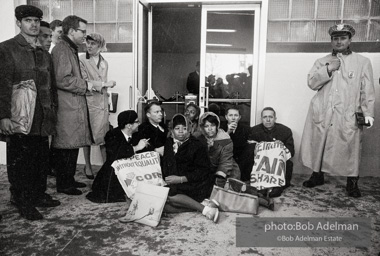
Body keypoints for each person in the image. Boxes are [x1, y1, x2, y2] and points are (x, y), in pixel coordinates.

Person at [300, 24, 375, 198]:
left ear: (350, 40)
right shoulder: (321, 61)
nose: (339, 41)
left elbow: (367, 89)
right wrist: (328, 69)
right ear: (331, 40)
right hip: (323, 110)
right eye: (335, 38)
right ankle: (317, 175)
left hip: (348, 112)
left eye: (342, 38)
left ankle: (352, 182)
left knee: (352, 146)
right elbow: (312, 83)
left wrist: (368, 112)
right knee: (320, 143)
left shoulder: (362, 62)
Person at [0, 5, 60, 220]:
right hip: (20, 117)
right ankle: (22, 200)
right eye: (28, 21)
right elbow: (3, 85)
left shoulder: (44, 52)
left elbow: (51, 86)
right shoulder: (6, 49)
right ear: (19, 23)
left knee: (40, 159)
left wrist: (54, 112)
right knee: (21, 161)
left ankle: (38, 194)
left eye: (36, 20)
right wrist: (3, 116)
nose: (33, 24)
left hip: (43, 117)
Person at [51, 15, 92, 196]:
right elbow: (62, 79)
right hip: (66, 106)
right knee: (66, 146)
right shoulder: (62, 49)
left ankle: (68, 180)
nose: (85, 35)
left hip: (71, 105)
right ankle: (64, 184)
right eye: (82, 31)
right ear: (71, 31)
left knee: (72, 144)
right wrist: (86, 85)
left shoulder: (69, 48)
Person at [160, 114, 219, 222]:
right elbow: (167, 163)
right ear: (172, 130)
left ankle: (205, 210)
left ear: (189, 129)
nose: (181, 131)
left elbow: (203, 171)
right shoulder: (169, 142)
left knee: (170, 197)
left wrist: (181, 179)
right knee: (163, 205)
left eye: (184, 128)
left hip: (195, 183)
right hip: (176, 182)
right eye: (177, 128)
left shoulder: (197, 145)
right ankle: (199, 205)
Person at [86, 110, 149, 203]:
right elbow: (115, 155)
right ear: (129, 125)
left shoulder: (137, 133)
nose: (139, 124)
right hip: (114, 171)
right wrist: (136, 148)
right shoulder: (112, 135)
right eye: (137, 121)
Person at [79, 33, 116, 179]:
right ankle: (87, 166)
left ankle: (105, 167)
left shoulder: (104, 62)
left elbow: (103, 83)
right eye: (87, 43)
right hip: (89, 103)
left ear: (100, 46)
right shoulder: (82, 60)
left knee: (104, 137)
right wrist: (105, 84)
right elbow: (84, 81)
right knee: (87, 136)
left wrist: (108, 96)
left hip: (102, 103)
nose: (88, 46)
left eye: (92, 44)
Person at [248, 107, 295, 198]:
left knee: (286, 162)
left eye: (271, 117)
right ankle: (262, 186)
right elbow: (248, 150)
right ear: (261, 119)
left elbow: (291, 152)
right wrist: (256, 148)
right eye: (265, 117)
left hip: (278, 165)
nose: (268, 120)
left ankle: (277, 186)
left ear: (275, 118)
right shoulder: (254, 131)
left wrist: (281, 147)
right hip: (262, 164)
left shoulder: (285, 131)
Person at [198, 112, 240, 188]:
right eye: (206, 126)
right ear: (202, 128)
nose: (210, 129)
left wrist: (219, 179)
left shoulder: (225, 140)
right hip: (210, 172)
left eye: (212, 125)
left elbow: (225, 162)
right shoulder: (199, 139)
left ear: (217, 126)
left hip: (227, 172)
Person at [220, 106, 251, 181]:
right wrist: (228, 132)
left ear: (239, 117)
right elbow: (219, 145)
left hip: (240, 159)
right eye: (230, 115)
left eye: (236, 115)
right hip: (224, 158)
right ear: (226, 117)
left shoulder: (246, 129)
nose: (233, 118)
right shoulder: (220, 128)